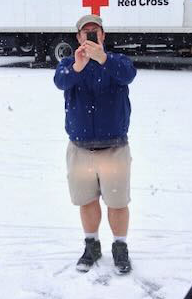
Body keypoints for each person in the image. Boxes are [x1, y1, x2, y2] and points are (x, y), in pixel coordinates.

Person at [54, 14, 137, 274]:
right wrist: (78, 66)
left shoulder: (117, 62)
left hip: (114, 149)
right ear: (78, 37)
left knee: (117, 202)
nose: (90, 35)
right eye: (85, 32)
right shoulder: (69, 64)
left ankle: (120, 247)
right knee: (86, 200)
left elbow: (128, 75)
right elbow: (60, 81)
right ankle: (91, 245)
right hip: (80, 149)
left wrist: (103, 59)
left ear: (102, 36)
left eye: (95, 31)